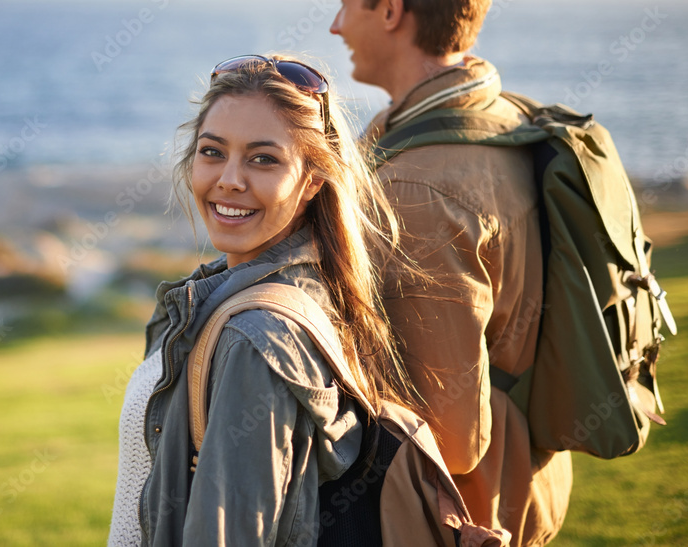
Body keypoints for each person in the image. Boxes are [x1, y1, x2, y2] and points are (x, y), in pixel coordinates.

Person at [107, 55, 506, 546]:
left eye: (263, 159)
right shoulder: (308, 290)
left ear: (313, 180)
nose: (229, 179)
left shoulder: (256, 340)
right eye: (212, 152)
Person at [329, 0, 573, 546]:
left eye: (344, 4)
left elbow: (454, 436)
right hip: (529, 483)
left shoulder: (417, 187)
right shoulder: (496, 114)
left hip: (462, 514)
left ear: (388, 9)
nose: (334, 26)